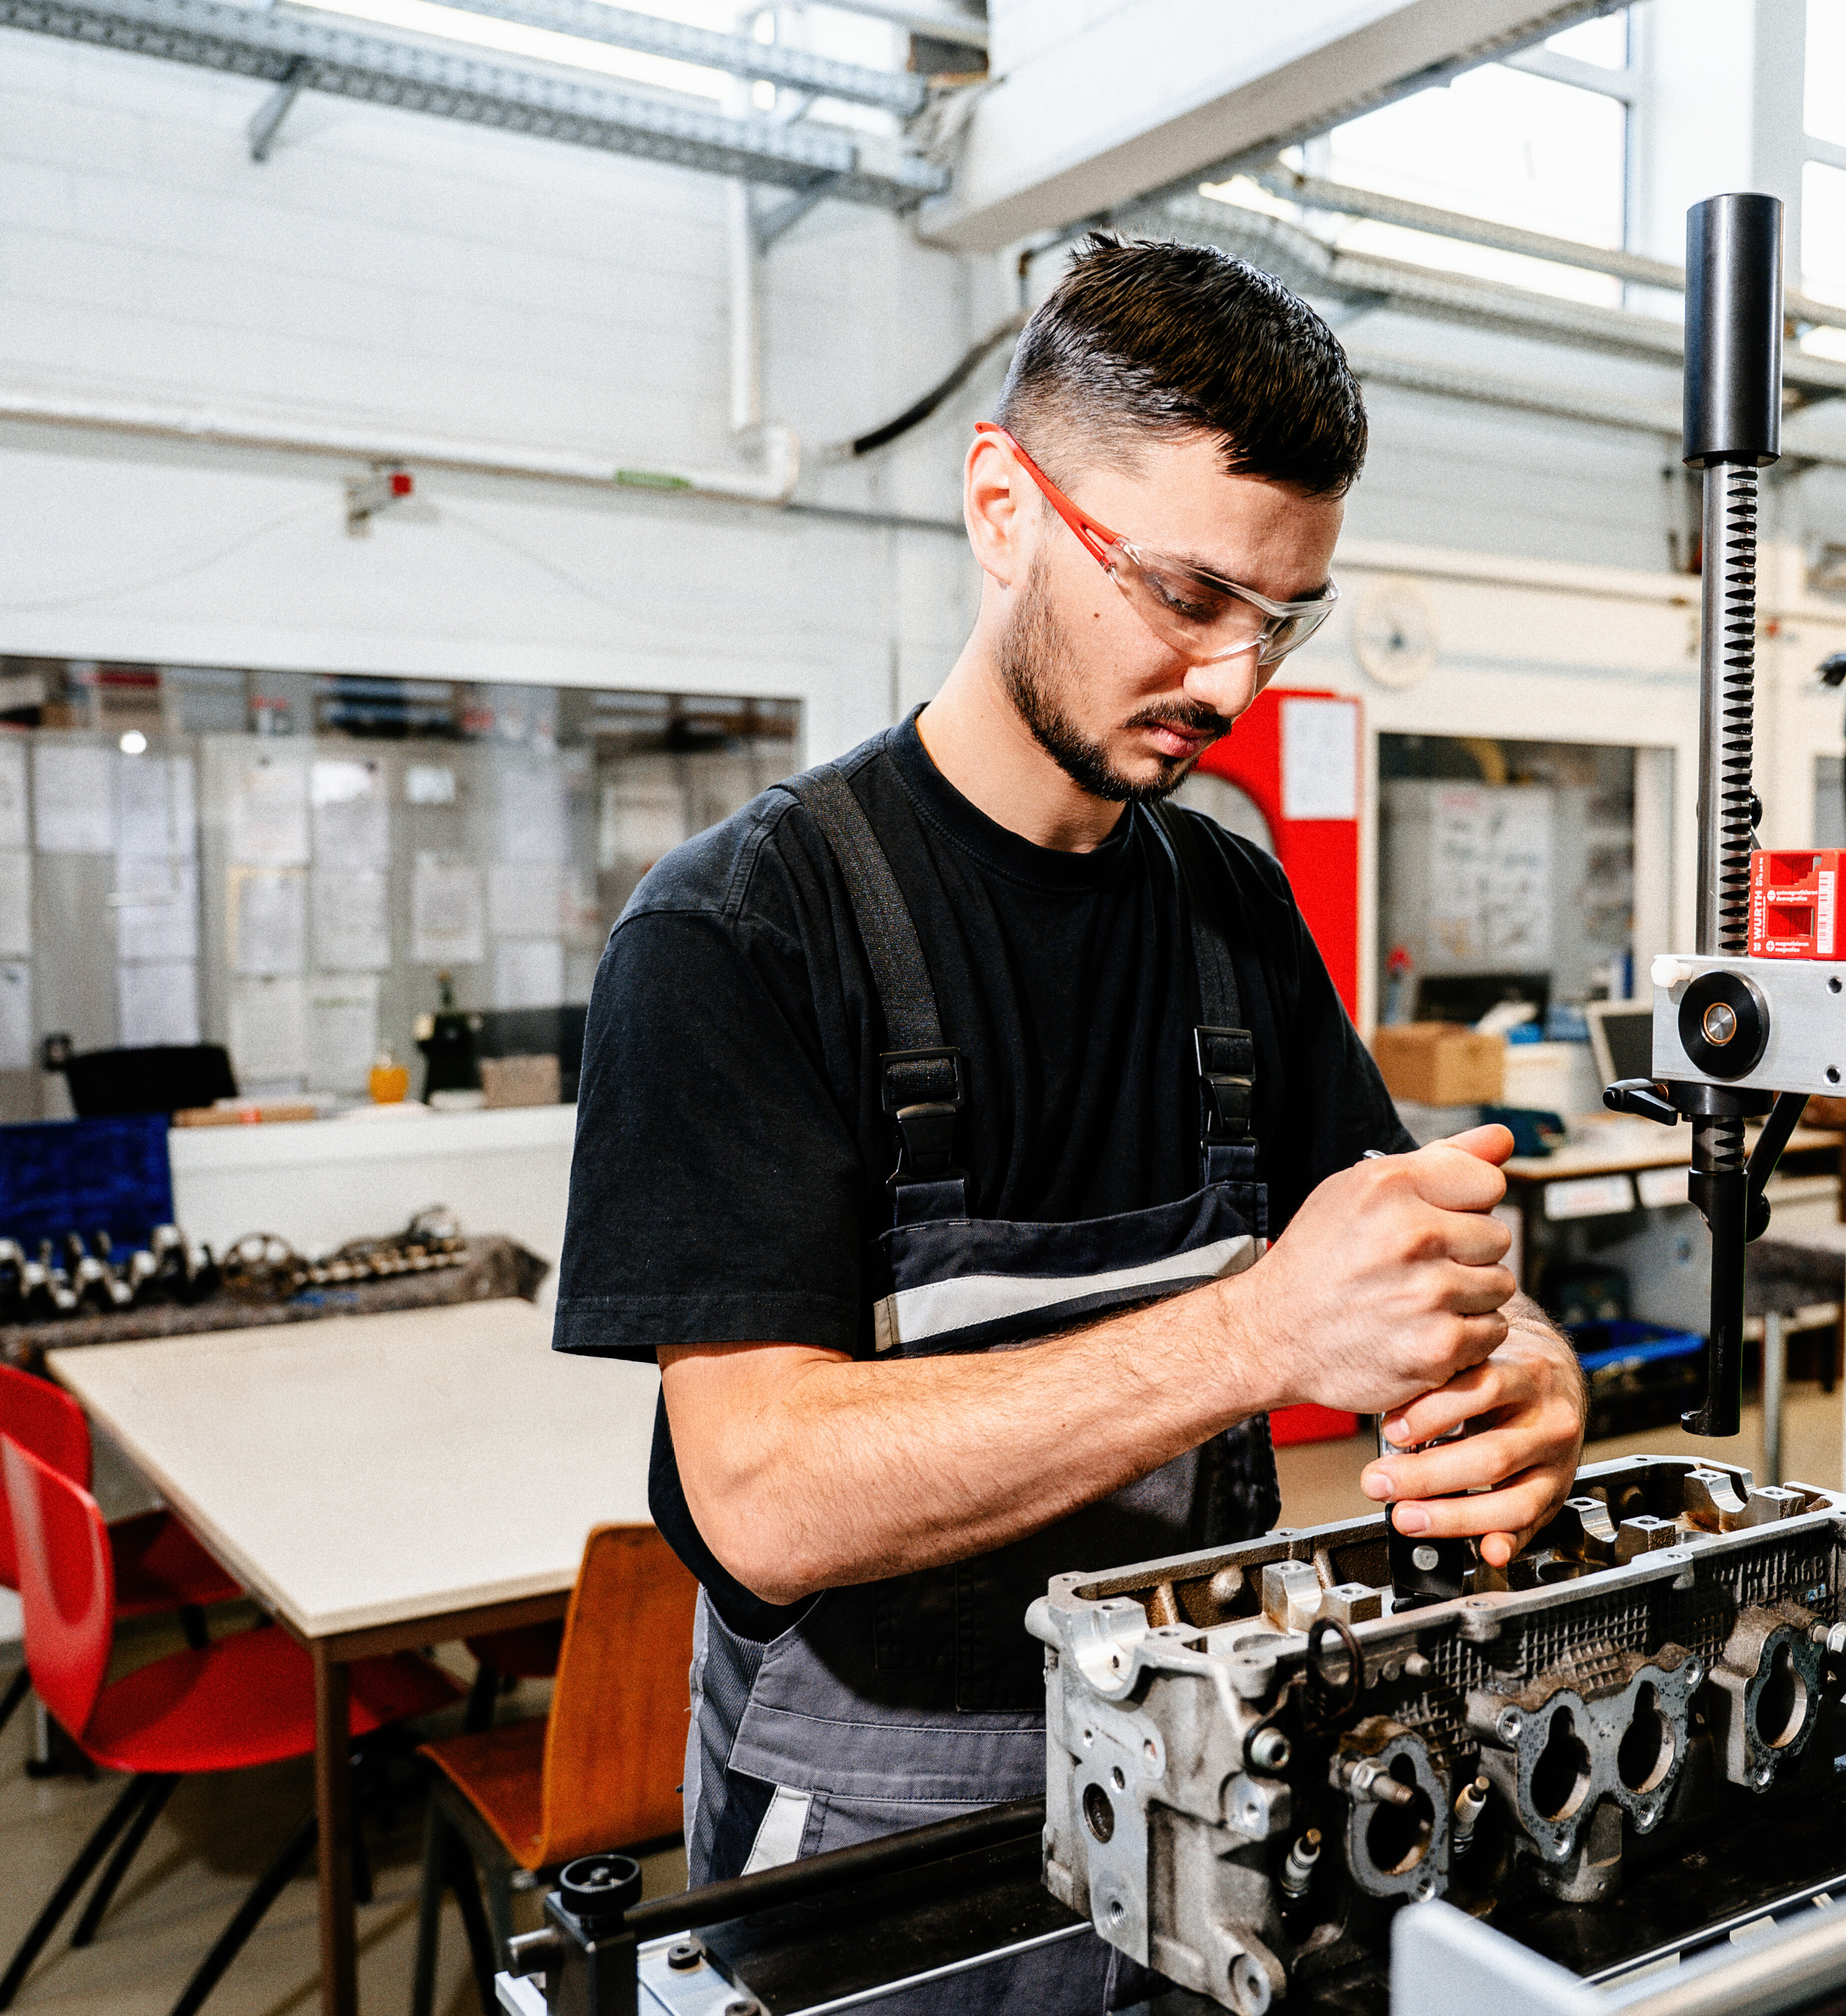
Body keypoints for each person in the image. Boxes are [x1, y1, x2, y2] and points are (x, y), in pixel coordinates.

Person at [555, 233, 1586, 2004]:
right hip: (887, 1858)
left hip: (1217, 1782)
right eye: (1187, 596)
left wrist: (1524, 1372)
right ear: (1001, 503)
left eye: (1282, 617)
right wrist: (1260, 1328)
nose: (1235, 680)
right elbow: (765, 1492)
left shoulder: (1232, 911)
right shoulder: (741, 935)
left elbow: (1410, 1256)